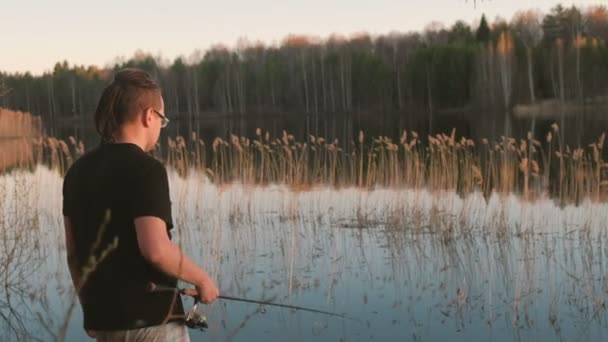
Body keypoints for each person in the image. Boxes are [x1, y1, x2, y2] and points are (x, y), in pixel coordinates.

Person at [62, 68, 219, 341]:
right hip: (153, 323)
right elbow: (156, 250)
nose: (161, 126)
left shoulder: (76, 172)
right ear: (150, 116)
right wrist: (202, 279)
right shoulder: (147, 169)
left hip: (104, 323)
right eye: (163, 119)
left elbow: (74, 255)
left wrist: (90, 309)